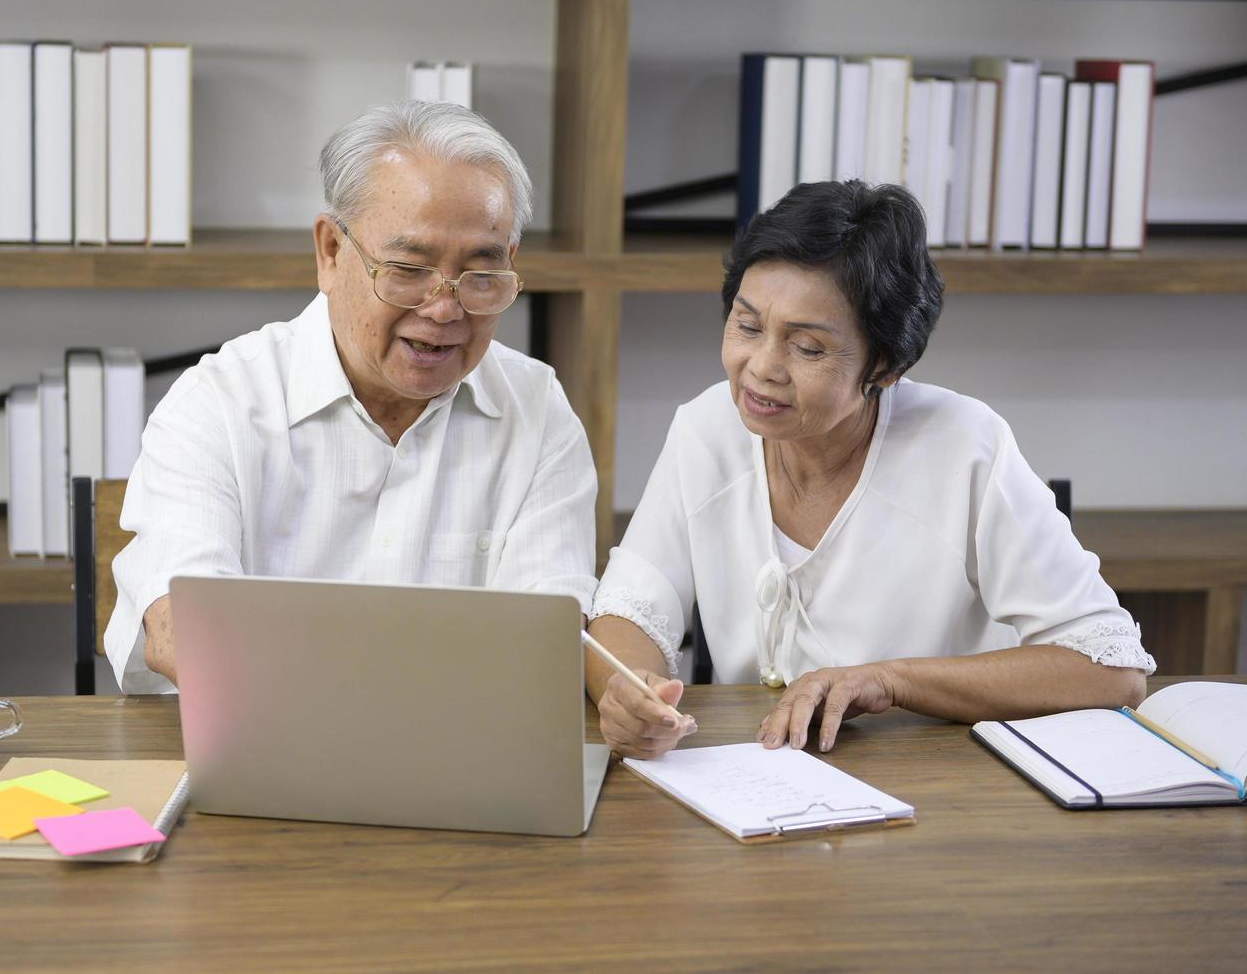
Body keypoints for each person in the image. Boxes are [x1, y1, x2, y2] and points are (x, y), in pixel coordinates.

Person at [586, 180, 1153, 759]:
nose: (761, 368)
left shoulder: (967, 447)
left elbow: (1110, 666)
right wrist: (633, 692)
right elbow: (629, 609)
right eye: (747, 326)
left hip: (944, 785)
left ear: (885, 366)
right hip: (758, 777)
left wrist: (889, 681)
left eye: (807, 348)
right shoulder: (705, 429)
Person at [105, 100, 597, 692]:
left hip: (458, 763)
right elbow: (180, 626)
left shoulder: (537, 410)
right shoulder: (220, 401)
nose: (444, 309)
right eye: (408, 269)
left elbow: (548, 637)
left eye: (479, 274)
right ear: (331, 253)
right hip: (255, 746)